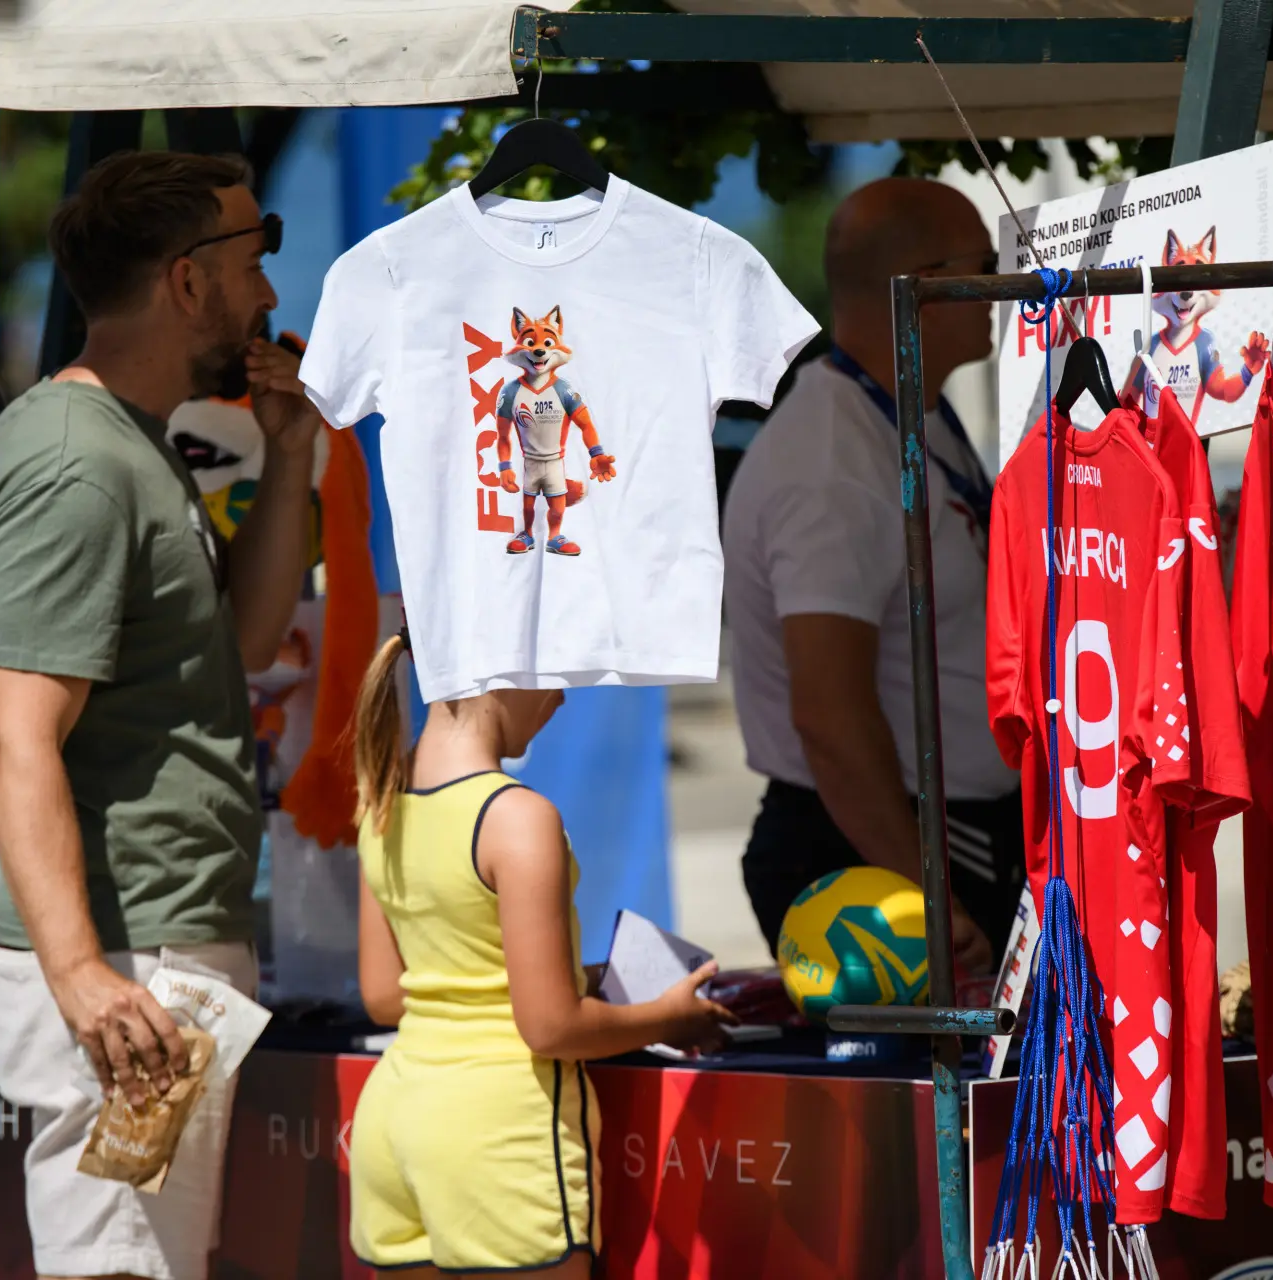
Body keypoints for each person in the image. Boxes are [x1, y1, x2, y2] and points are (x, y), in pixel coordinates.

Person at [0, 151, 318, 1280]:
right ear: (187, 281)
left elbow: (247, 643)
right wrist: (81, 974)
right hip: (129, 961)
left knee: (139, 1258)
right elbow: (14, 734)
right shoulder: (78, 461)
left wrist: (292, 454)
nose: (269, 293)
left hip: (153, 949)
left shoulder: (129, 440)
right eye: (253, 263)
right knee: (122, 1265)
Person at [348, 631, 737, 1276]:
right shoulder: (516, 817)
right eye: (552, 668)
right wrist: (672, 1018)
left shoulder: (382, 800)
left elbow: (388, 996)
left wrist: (562, 975)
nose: (561, 695)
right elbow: (551, 1026)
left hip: (392, 1121)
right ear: (499, 665)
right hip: (500, 1135)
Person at [724, 177, 1023, 973]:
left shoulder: (905, 411)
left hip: (945, 835)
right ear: (923, 285)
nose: (1002, 287)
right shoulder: (833, 460)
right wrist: (928, 894)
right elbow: (829, 714)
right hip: (882, 848)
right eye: (986, 265)